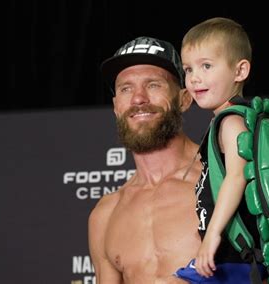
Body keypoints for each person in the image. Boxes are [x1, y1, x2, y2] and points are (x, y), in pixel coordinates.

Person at [88, 36, 202, 283]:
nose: (138, 99)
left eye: (153, 85)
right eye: (126, 89)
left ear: (184, 99)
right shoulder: (105, 215)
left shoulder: (224, 180)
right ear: (116, 106)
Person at [176, 17, 269, 283]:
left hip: (236, 259)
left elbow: (237, 176)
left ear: (240, 71)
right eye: (188, 69)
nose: (195, 78)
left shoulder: (231, 122)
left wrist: (213, 234)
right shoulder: (227, 119)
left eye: (206, 66)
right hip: (231, 258)